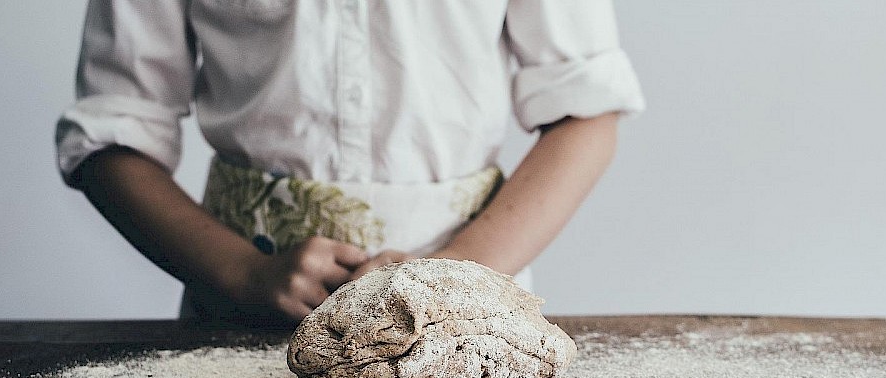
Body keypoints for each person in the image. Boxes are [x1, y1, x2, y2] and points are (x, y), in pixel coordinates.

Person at [57, 0, 644, 326]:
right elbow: (112, 133)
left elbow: (585, 114)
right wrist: (242, 274)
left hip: (470, 312)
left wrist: (449, 279)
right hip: (241, 311)